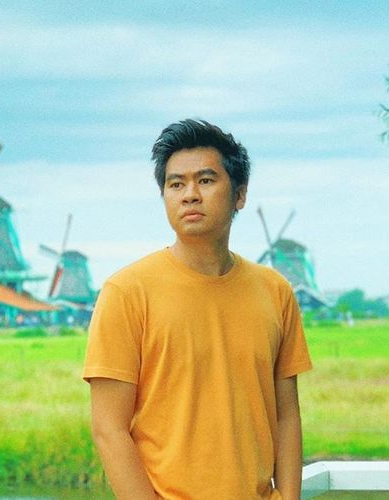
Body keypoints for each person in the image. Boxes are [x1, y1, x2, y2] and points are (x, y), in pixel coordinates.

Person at [83, 119, 312, 500]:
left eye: (206, 180)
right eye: (176, 184)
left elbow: (286, 414)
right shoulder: (126, 292)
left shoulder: (275, 291)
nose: (190, 195)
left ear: (240, 194)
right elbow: (109, 429)